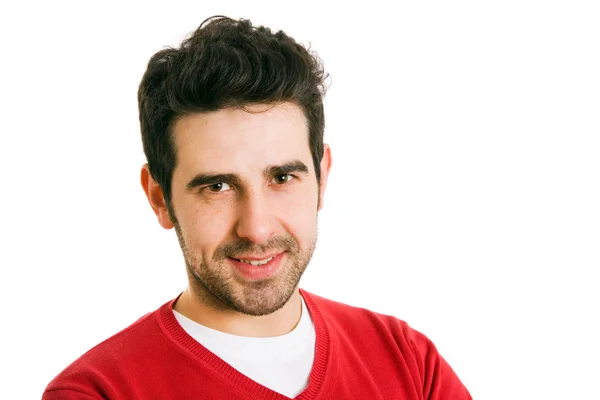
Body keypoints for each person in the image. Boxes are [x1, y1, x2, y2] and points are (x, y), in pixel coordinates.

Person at [43, 15, 472, 399]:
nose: (257, 228)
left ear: (321, 178)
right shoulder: (97, 392)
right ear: (161, 199)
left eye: (282, 178)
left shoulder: (410, 364)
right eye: (217, 186)